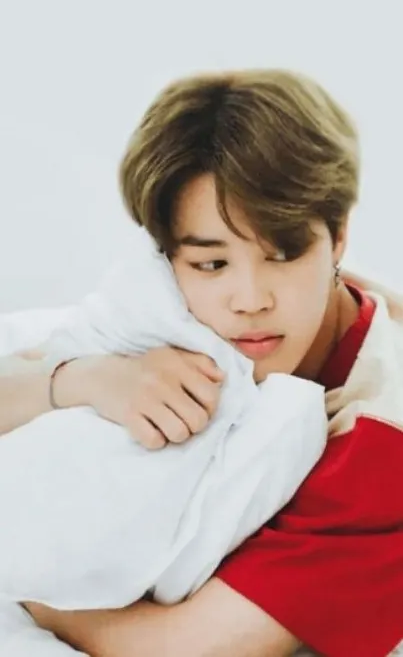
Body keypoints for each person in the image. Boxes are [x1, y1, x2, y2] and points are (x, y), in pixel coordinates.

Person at [2, 69, 403, 656]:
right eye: (211, 264)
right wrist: (82, 379)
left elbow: (180, 650)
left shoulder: (378, 444)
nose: (251, 299)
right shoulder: (181, 307)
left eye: (284, 252)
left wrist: (33, 587)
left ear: (338, 237)